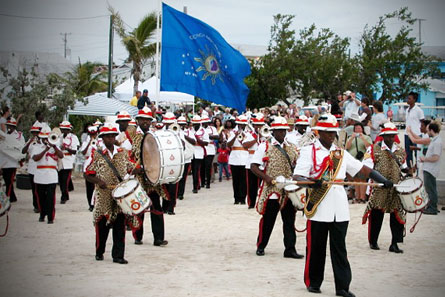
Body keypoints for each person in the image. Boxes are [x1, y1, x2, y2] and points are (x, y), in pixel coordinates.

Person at [293, 114, 393, 297]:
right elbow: (297, 177)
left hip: (339, 207)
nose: (332, 136)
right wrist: (311, 181)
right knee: (316, 247)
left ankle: (342, 287)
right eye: (328, 132)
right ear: (319, 132)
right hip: (318, 206)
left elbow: (362, 169)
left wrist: (383, 180)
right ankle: (314, 282)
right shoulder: (309, 151)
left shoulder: (340, 153)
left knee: (339, 248)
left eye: (334, 132)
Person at [251, 116, 303, 259]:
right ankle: (261, 246)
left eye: (284, 130)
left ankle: (290, 249)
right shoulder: (264, 146)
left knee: (289, 221)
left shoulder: (291, 147)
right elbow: (254, 166)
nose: (282, 133)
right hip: (272, 189)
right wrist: (266, 178)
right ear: (273, 131)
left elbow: (297, 164)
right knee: (268, 219)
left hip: (288, 189)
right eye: (279, 130)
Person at [84, 123, 137, 264]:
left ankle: (118, 255)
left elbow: (131, 168)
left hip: (120, 194)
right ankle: (99, 251)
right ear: (102, 137)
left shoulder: (122, 152)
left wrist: (143, 167)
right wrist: (98, 181)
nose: (111, 138)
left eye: (113, 136)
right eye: (108, 136)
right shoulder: (96, 154)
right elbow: (87, 173)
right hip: (104, 194)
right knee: (102, 224)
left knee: (120, 224)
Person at [362, 122, 409, 253]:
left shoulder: (400, 151)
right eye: (388, 136)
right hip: (379, 187)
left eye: (392, 136)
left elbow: (404, 168)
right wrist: (381, 180)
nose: (390, 138)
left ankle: (395, 243)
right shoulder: (373, 149)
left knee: (397, 215)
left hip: (395, 188)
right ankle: (373, 241)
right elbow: (367, 167)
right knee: (376, 215)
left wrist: (409, 172)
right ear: (383, 136)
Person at [128, 107, 168, 246]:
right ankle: (137, 235)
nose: (145, 122)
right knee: (139, 207)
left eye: (148, 120)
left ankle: (158, 238)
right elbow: (128, 156)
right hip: (139, 177)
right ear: (138, 121)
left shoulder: (154, 135)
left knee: (156, 206)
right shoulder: (132, 136)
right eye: (142, 119)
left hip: (153, 176)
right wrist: (135, 168)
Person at [32, 126, 64, 224]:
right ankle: (42, 214)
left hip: (51, 176)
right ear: (41, 138)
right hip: (40, 175)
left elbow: (61, 155)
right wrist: (45, 149)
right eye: (44, 138)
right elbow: (35, 158)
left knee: (51, 198)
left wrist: (53, 146)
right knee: (41, 198)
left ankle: (50, 217)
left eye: (47, 138)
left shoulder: (55, 146)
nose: (46, 140)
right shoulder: (36, 146)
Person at [242, 113, 265, 208]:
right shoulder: (249, 134)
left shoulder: (266, 134)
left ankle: (262, 203)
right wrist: (256, 138)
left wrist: (263, 136)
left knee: (263, 184)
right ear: (254, 126)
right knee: (251, 185)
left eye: (260, 125)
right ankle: (251, 203)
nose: (258, 127)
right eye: (257, 125)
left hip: (263, 162)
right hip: (251, 161)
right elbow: (245, 145)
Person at [345, 123, 372, 203]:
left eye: (359, 128)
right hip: (353, 160)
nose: (358, 130)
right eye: (356, 128)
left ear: (362, 129)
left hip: (363, 160)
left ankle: (362, 197)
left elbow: (369, 147)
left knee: (362, 178)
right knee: (356, 179)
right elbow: (346, 147)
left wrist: (363, 138)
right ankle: (357, 196)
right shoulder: (350, 138)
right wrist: (351, 138)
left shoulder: (367, 137)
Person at [420, 122, 442, 215]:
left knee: (430, 189)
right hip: (429, 168)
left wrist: (425, 159)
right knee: (431, 188)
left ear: (432, 130)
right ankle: (432, 206)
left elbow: (436, 157)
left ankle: (432, 208)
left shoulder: (437, 142)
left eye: (428, 130)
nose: (427, 131)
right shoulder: (435, 140)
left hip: (430, 169)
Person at [1, 118, 25, 203]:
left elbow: (21, 147)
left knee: (10, 180)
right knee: (6, 180)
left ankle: (8, 197)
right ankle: (12, 196)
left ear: (14, 127)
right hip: (4, 162)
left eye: (11, 126)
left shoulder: (19, 136)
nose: (9, 128)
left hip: (12, 162)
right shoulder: (4, 135)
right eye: (8, 126)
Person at [227, 115, 248, 204]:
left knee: (244, 180)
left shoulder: (248, 132)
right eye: (240, 124)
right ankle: (236, 198)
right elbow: (229, 144)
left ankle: (243, 198)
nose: (241, 126)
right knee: (235, 180)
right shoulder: (233, 132)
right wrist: (235, 136)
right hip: (234, 157)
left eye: (243, 124)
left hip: (245, 157)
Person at [80, 125, 102, 211]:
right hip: (88, 164)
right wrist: (89, 143)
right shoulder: (86, 142)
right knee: (89, 186)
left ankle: (97, 203)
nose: (93, 135)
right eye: (91, 134)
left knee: (97, 184)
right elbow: (83, 152)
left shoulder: (100, 142)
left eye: (94, 134)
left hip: (98, 164)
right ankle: (90, 204)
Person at [58, 121, 79, 204]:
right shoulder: (60, 137)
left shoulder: (73, 138)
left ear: (68, 129)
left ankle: (63, 196)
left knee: (65, 180)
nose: (63, 131)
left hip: (68, 161)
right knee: (60, 180)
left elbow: (74, 151)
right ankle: (65, 195)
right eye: (62, 129)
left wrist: (66, 148)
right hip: (60, 161)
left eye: (65, 129)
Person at [22, 125, 42, 212]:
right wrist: (29, 142)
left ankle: (41, 205)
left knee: (41, 189)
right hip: (32, 168)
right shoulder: (30, 142)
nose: (35, 134)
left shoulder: (42, 143)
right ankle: (36, 206)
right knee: (34, 189)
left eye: (36, 133)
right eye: (33, 133)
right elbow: (23, 151)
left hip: (40, 168)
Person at [404, 92, 424, 168]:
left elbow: (422, 122)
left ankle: (419, 169)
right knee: (408, 154)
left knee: (417, 153)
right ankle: (409, 170)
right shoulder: (407, 110)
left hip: (416, 134)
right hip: (407, 134)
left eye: (409, 98)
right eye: (407, 98)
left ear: (414, 100)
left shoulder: (418, 110)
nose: (407, 100)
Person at [190, 115, 209, 193]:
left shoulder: (203, 131)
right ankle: (196, 184)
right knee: (193, 170)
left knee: (197, 169)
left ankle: (196, 186)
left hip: (199, 152)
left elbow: (206, 143)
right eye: (194, 123)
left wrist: (197, 139)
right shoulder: (190, 130)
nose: (195, 125)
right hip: (191, 152)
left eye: (197, 123)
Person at [177, 116, 194, 200]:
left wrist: (184, 136)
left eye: (183, 124)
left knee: (183, 177)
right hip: (177, 157)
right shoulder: (175, 131)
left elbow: (194, 141)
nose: (181, 126)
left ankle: (181, 194)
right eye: (180, 124)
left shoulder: (188, 132)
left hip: (186, 157)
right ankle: (176, 193)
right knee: (177, 176)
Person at [200, 115, 218, 189]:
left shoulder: (212, 128)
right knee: (202, 166)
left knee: (208, 166)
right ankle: (202, 182)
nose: (204, 124)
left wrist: (207, 136)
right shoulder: (199, 129)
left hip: (210, 148)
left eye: (206, 122)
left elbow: (216, 136)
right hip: (201, 148)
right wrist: (209, 136)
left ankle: (208, 183)